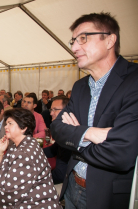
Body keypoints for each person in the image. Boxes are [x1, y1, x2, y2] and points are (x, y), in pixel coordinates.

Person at [51, 12, 138, 209]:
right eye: (73, 41)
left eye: (83, 38)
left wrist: (77, 140)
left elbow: (121, 153)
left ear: (109, 40)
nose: (74, 47)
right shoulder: (80, 86)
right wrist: (91, 133)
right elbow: (57, 128)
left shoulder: (134, 80)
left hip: (106, 195)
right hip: (72, 184)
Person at [0, 108, 60, 209]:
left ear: (23, 127)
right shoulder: (20, 146)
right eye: (6, 123)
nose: (6, 126)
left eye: (10, 123)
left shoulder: (24, 153)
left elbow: (9, 194)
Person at [43, 96, 72, 184]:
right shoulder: (64, 131)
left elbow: (60, 175)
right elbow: (52, 150)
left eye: (55, 109)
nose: (51, 113)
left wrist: (37, 179)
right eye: (51, 110)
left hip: (65, 184)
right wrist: (32, 152)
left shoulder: (69, 135)